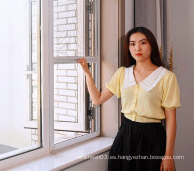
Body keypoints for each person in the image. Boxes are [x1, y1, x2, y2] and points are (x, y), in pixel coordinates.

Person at [77, 26, 181, 171]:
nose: (137, 48)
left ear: (152, 46)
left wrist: (168, 155)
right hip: (125, 137)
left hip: (153, 138)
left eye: (143, 43)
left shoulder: (167, 77)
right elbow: (97, 100)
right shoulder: (122, 73)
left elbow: (171, 120)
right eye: (132, 44)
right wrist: (88, 73)